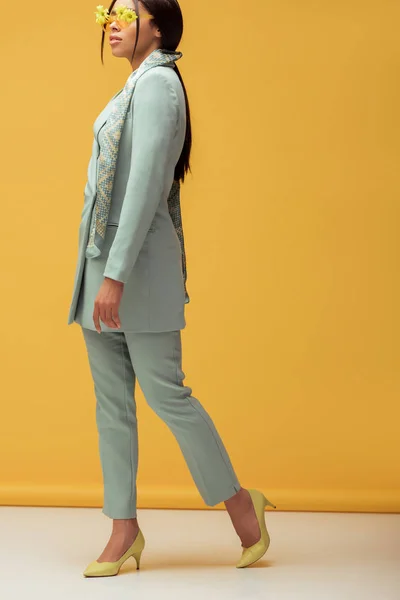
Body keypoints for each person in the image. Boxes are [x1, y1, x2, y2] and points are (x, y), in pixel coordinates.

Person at [67, 0, 276, 578]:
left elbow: (145, 187)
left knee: (166, 395)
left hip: (134, 272)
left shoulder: (159, 85)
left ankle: (241, 506)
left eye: (125, 14)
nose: (112, 23)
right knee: (112, 406)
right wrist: (97, 273)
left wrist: (115, 276)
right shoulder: (132, 87)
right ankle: (123, 530)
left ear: (156, 26)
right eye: (108, 14)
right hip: (99, 268)